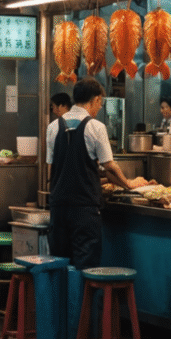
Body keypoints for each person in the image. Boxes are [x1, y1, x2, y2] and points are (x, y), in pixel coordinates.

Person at [46, 77, 133, 270]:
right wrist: (128, 184)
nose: (100, 107)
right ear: (94, 100)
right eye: (100, 102)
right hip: (84, 209)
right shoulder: (96, 127)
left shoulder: (52, 128)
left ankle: (63, 301)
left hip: (58, 207)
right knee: (85, 267)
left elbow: (52, 168)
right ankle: (82, 301)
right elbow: (108, 165)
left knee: (59, 265)